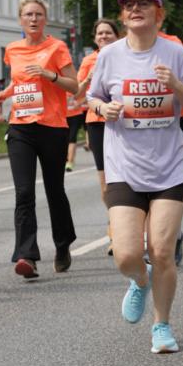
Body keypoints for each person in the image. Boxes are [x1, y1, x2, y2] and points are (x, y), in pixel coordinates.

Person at [88, 0, 183, 354]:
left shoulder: (175, 54)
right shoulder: (109, 55)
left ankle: (162, 326)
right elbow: (93, 96)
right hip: (124, 166)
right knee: (125, 255)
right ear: (123, 16)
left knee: (161, 250)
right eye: (128, 5)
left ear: (159, 13)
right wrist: (101, 109)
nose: (135, 9)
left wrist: (175, 85)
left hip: (170, 167)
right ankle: (140, 281)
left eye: (144, 4)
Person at [0, 0, 78, 279]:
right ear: (20, 19)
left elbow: (74, 86)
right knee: (24, 192)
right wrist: (3, 95)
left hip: (52, 127)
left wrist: (49, 75)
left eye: (38, 15)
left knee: (55, 191)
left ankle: (63, 244)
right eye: (28, 15)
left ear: (45, 19)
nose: (33, 19)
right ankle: (26, 255)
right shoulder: (13, 49)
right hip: (20, 127)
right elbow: (19, 83)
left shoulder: (57, 47)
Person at [74, 19, 121, 252]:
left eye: (108, 33)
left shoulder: (126, 55)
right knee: (105, 183)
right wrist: (87, 77)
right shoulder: (88, 60)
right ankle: (114, 225)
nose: (104, 37)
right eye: (100, 33)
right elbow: (77, 94)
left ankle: (128, 225)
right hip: (97, 122)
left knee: (126, 178)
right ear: (95, 38)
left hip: (124, 121)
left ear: (116, 35)